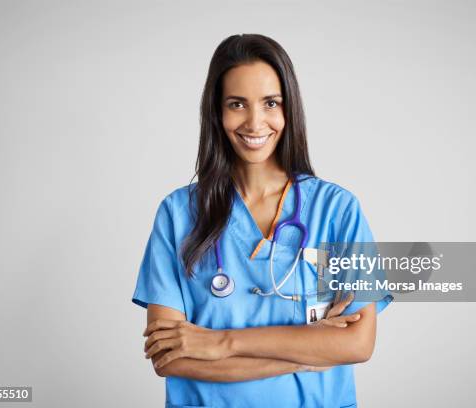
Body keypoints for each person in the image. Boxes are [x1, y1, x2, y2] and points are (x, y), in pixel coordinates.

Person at [132, 33, 393, 408]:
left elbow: (357, 343)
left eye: (271, 103)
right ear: (217, 113)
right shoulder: (177, 214)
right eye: (237, 104)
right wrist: (309, 350)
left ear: (290, 110)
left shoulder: (336, 210)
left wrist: (220, 343)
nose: (255, 122)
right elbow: (170, 357)